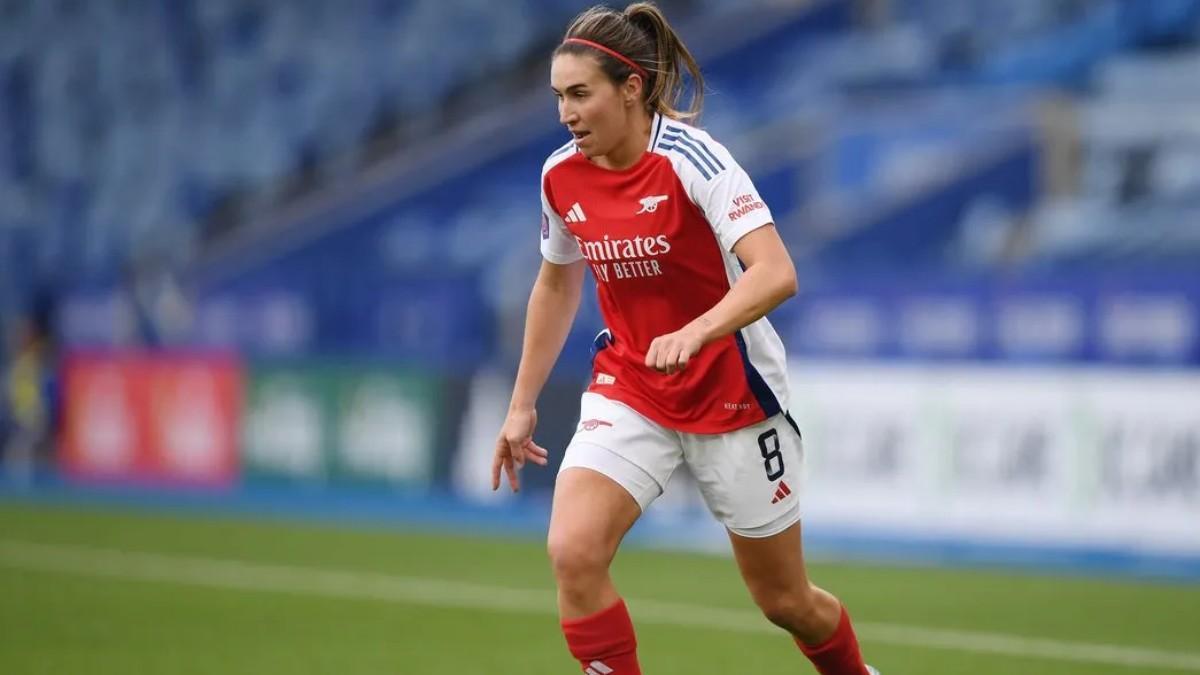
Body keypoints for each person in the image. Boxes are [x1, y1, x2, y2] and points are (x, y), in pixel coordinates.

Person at [491, 4, 878, 674]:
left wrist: (697, 331)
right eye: (558, 97)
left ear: (630, 88)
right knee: (573, 552)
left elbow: (776, 272)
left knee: (786, 601)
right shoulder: (560, 175)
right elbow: (555, 283)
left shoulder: (695, 160)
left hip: (732, 393)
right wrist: (521, 403)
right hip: (631, 385)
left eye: (580, 94)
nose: (566, 114)